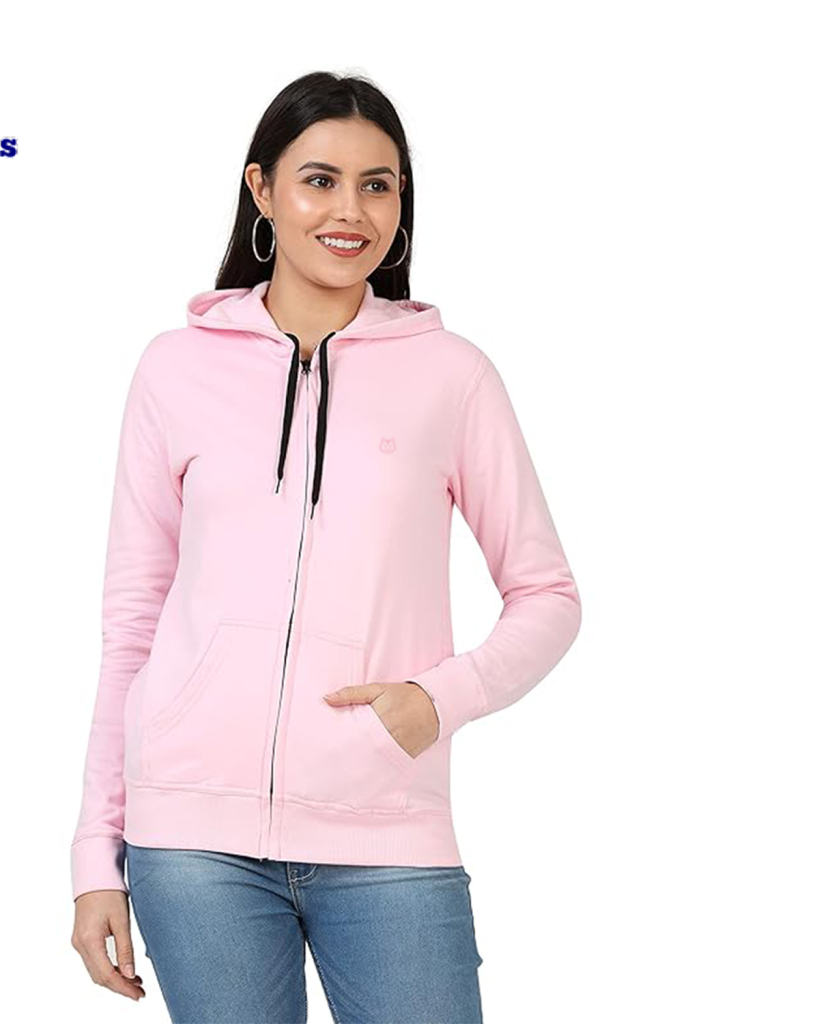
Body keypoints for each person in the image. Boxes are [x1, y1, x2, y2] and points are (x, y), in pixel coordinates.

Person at [69, 70, 582, 1023]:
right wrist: (96, 855)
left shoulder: (451, 377)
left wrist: (438, 700)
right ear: (262, 190)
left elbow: (548, 594)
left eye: (377, 185)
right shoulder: (176, 368)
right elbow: (132, 624)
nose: (351, 210)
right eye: (319, 180)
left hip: (387, 830)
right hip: (190, 839)